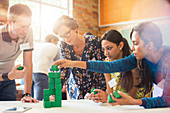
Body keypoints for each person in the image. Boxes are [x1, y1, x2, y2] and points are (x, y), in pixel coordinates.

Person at [53, 21, 170, 108]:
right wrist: (71, 63)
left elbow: (166, 100)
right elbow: (108, 67)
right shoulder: (138, 58)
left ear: (149, 46)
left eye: (136, 43)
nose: (133, 47)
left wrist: (135, 101)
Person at [85, 29, 152, 103]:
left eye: (109, 48)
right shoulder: (107, 62)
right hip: (119, 105)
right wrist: (99, 96)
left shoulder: (132, 61)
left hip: (138, 105)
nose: (106, 53)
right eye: (103, 49)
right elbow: (110, 90)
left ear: (120, 45)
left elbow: (131, 96)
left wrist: (108, 97)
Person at [53, 15, 106, 99]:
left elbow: (104, 67)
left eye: (67, 34)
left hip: (94, 89)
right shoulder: (64, 45)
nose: (66, 39)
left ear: (75, 28)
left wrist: (101, 90)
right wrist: (54, 92)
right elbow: (63, 71)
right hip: (75, 91)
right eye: (62, 36)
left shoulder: (93, 41)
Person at [0, 4, 38, 102]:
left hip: (8, 79)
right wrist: (8, 76)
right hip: (7, 76)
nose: (25, 30)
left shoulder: (28, 32)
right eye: (22, 26)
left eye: (28, 26)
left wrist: (27, 94)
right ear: (10, 22)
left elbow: (28, 64)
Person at [31, 34, 60, 100]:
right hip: (41, 73)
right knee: (41, 100)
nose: (56, 44)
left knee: (31, 100)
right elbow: (58, 62)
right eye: (56, 42)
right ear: (52, 40)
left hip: (29, 73)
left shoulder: (37, 45)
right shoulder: (54, 47)